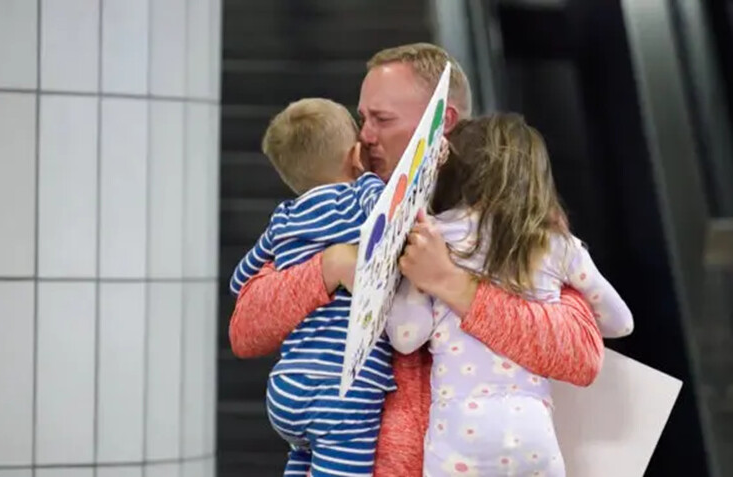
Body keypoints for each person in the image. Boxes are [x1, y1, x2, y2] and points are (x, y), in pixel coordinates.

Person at [229, 43, 605, 476]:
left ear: (442, 122)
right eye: (362, 118)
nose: (364, 136)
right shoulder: (339, 210)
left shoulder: (512, 217)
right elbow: (246, 329)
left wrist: (452, 284)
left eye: (382, 119)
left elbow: (579, 353)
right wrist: (330, 265)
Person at [386, 114, 635, 476]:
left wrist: (411, 281)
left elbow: (406, 337)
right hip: (533, 430)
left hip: (458, 430)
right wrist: (556, 293)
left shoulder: (436, 236)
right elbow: (620, 322)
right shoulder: (556, 245)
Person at [228, 97, 415, 476]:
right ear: (355, 155)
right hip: (344, 388)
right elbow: (395, 216)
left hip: (287, 387)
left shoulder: (283, 218)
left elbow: (240, 280)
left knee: (302, 457)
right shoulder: (360, 195)